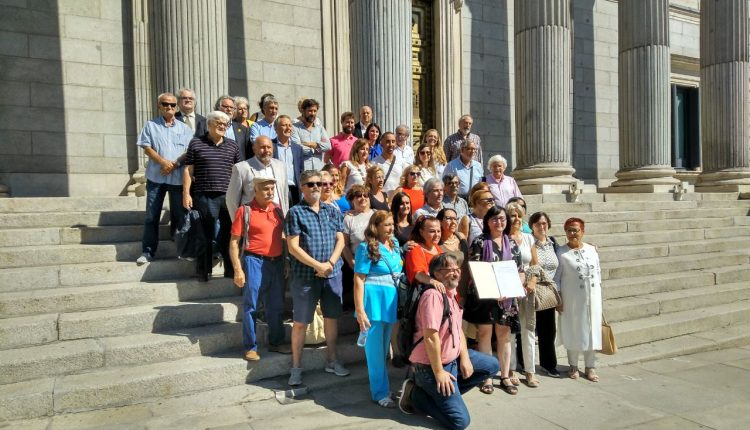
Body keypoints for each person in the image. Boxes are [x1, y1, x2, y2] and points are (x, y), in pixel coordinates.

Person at [399, 253, 500, 430]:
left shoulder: (451, 293)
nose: (455, 273)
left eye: (457, 269)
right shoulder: (432, 296)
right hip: (432, 366)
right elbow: (431, 336)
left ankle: (444, 395)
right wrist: (439, 372)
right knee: (460, 422)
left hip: (453, 359)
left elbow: (458, 329)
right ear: (436, 274)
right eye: (450, 270)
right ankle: (416, 396)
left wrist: (466, 359)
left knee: (491, 365)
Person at [285, 170, 349, 386]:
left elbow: (340, 239)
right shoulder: (295, 212)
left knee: (331, 318)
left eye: (319, 184)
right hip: (305, 276)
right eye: (310, 184)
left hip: (332, 273)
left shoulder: (331, 211)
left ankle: (332, 360)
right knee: (301, 322)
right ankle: (296, 367)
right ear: (302, 187)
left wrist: (330, 263)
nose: (316, 188)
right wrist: (318, 265)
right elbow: (293, 247)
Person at [228, 176, 291, 361]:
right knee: (251, 305)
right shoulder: (245, 210)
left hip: (277, 262)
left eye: (272, 188)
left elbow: (283, 237)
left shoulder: (278, 210)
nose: (270, 192)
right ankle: (251, 346)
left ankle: (276, 342)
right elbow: (233, 242)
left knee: (276, 306)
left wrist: (286, 260)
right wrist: (238, 269)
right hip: (253, 261)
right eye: (266, 189)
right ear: (255, 190)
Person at [465, 206, 523, 395]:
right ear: (487, 222)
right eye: (495, 219)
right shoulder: (480, 241)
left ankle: (505, 376)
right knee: (484, 334)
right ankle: (487, 376)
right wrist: (493, 290)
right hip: (486, 296)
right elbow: (475, 270)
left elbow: (520, 271)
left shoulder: (512, 243)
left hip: (507, 298)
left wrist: (514, 287)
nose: (499, 222)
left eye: (502, 219)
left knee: (504, 335)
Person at [182, 111, 241, 281]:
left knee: (230, 234)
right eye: (219, 123)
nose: (222, 126)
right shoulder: (196, 143)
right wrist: (186, 193)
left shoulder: (232, 145)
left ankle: (230, 270)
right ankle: (203, 271)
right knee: (204, 234)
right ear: (209, 124)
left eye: (225, 124)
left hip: (228, 196)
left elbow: (238, 171)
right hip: (204, 195)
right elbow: (188, 169)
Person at [136, 92, 193, 265]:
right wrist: (162, 162)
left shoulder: (185, 129)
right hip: (156, 177)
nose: (169, 107)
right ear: (159, 106)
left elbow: (188, 151)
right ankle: (147, 252)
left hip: (176, 177)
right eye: (165, 104)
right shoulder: (151, 125)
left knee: (181, 216)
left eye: (172, 105)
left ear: (177, 107)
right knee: (151, 216)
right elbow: (146, 147)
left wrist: (174, 165)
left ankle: (184, 250)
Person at [353, 210, 402, 408]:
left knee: (383, 351)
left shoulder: (395, 245)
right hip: (372, 303)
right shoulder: (365, 248)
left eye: (392, 224)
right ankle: (380, 393)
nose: (391, 228)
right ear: (376, 226)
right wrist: (360, 310)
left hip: (390, 301)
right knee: (374, 352)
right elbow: (358, 279)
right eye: (386, 225)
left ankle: (384, 388)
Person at [555, 217, 602, 382]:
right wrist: (558, 297)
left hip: (593, 299)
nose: (572, 233)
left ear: (583, 231)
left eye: (576, 230)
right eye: (569, 230)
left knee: (592, 332)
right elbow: (557, 278)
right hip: (572, 299)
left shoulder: (591, 249)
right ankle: (573, 365)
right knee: (573, 329)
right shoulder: (561, 252)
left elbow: (598, 272)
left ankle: (590, 366)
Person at [506, 202, 540, 388]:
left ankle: (529, 371)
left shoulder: (528, 238)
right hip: (510, 290)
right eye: (512, 215)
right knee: (510, 332)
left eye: (519, 216)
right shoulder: (502, 239)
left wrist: (533, 280)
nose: (517, 219)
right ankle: (510, 369)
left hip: (528, 290)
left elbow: (535, 264)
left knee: (528, 331)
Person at [226, 135, 290, 221]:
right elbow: (232, 200)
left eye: (269, 147)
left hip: (277, 219)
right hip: (252, 221)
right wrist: (238, 223)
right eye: (262, 147)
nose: (266, 150)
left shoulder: (281, 166)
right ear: (254, 149)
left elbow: (284, 196)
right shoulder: (241, 168)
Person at [528, 211, 561, 378]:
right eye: (537, 224)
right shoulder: (529, 242)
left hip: (548, 291)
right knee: (528, 329)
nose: (541, 227)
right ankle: (524, 363)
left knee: (548, 330)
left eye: (544, 223)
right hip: (533, 289)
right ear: (532, 226)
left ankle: (548, 364)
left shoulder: (553, 243)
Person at [342, 184, 374, 311]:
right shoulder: (348, 218)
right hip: (358, 263)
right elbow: (344, 244)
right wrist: (351, 262)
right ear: (352, 199)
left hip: (376, 262)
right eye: (358, 196)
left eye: (365, 195)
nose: (363, 198)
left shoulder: (375, 215)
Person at [272, 115, 304, 207]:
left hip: (294, 189)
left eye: (290, 125)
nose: (288, 128)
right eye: (284, 125)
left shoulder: (298, 148)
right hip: (277, 188)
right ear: (276, 128)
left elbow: (301, 170)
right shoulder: (271, 146)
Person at [404, 215, 443, 287]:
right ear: (421, 232)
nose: (437, 235)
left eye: (439, 231)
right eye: (432, 231)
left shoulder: (438, 249)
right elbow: (418, 274)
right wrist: (434, 282)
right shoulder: (415, 249)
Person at [292, 98, 331, 170]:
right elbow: (297, 148)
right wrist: (317, 149)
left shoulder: (320, 128)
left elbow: (328, 146)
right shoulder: (295, 128)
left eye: (315, 111)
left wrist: (316, 145)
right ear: (303, 111)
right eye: (310, 111)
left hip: (319, 170)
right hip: (303, 171)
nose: (313, 113)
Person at [214, 95, 251, 161]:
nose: (229, 109)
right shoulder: (206, 125)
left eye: (231, 107)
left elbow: (248, 154)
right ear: (218, 108)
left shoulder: (244, 130)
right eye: (226, 106)